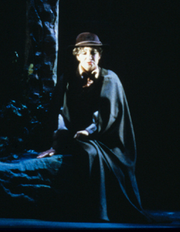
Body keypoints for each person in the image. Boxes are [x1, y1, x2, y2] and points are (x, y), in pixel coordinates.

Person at [37, 32, 149, 223]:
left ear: (100, 55)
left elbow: (108, 114)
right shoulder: (68, 79)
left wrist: (88, 131)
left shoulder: (110, 79)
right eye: (86, 52)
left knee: (90, 153)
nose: (90, 57)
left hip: (107, 138)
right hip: (76, 134)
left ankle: (97, 212)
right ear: (77, 55)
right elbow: (60, 111)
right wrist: (60, 138)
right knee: (80, 149)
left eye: (95, 52)